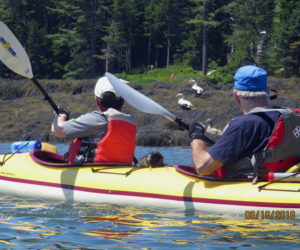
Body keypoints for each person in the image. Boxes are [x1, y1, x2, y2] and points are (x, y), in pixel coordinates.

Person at [188, 65, 300, 180]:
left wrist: (196, 136)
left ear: (236, 95)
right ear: (267, 92)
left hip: (255, 186)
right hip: (287, 182)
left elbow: (202, 167)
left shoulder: (243, 126)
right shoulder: (291, 117)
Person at [51, 76, 137, 165]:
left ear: (97, 100)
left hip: (92, 171)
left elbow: (57, 130)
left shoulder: (95, 120)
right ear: (122, 101)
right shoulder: (131, 119)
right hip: (121, 169)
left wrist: (61, 115)